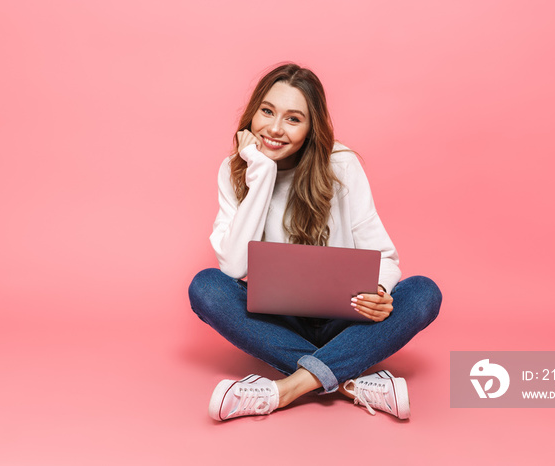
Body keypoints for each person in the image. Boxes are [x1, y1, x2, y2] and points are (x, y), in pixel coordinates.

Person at [188, 63, 441, 421]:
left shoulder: (341, 164)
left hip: (346, 317)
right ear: (253, 112)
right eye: (267, 111)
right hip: (279, 320)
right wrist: (260, 174)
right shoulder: (235, 169)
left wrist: (380, 293)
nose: (274, 129)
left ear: (310, 129)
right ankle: (350, 379)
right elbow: (233, 266)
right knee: (206, 288)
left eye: (293, 119)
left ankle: (284, 390)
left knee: (423, 292)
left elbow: (385, 256)